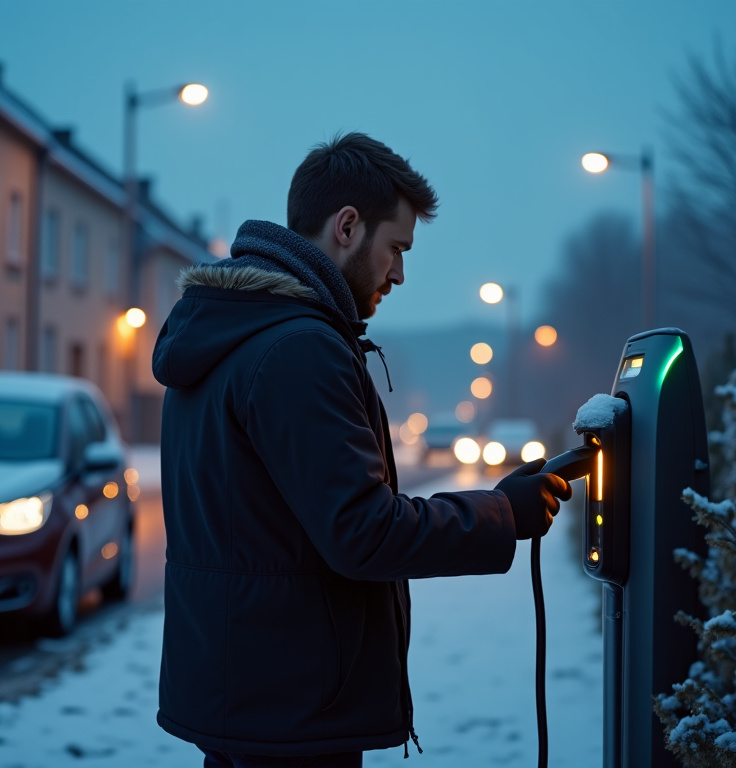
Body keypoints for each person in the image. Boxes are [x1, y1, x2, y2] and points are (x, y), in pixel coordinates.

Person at [152, 132, 572, 768]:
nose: (400, 273)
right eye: (396, 247)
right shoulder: (296, 348)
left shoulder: (229, 334)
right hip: (292, 712)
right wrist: (502, 514)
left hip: (244, 697)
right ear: (346, 226)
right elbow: (362, 532)